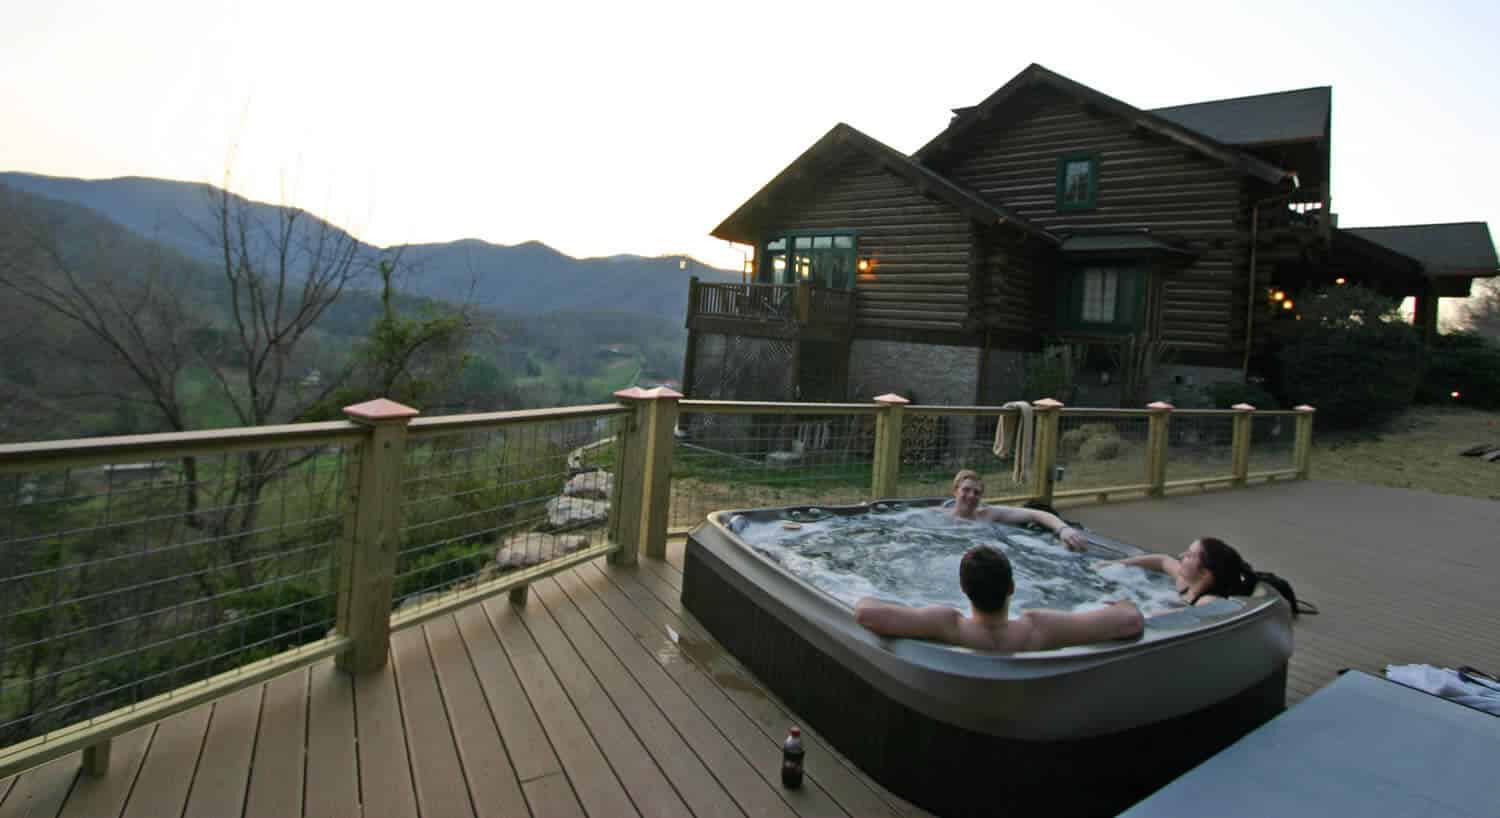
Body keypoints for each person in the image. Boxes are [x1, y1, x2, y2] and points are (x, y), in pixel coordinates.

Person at [854, 545, 1145, 651]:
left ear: (963, 589)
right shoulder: (1039, 628)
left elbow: (867, 613)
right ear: (1012, 588)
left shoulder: (949, 626)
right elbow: (1130, 621)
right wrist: (1123, 603)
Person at [1114, 536, 1306, 614]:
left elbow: (1176, 616)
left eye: (1189, 555)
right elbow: (1163, 560)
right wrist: (1114, 564)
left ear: (1204, 573)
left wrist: (1137, 610)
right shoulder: (1185, 582)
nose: (1181, 556)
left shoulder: (1207, 600)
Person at [943, 469, 1090, 552]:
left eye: (976, 492)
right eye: (966, 490)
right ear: (955, 491)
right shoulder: (938, 515)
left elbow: (1036, 514)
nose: (971, 496)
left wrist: (1063, 529)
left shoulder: (988, 514)